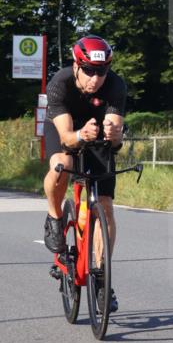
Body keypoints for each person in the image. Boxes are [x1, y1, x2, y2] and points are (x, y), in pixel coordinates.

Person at [43, 35, 126, 312]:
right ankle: (54, 218)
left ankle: (102, 277)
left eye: (101, 71)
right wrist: (80, 134)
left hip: (97, 136)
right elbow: (66, 137)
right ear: (77, 65)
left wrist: (114, 135)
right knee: (61, 164)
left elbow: (114, 136)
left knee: (105, 205)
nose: (95, 78)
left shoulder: (115, 85)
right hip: (65, 129)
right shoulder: (60, 84)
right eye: (89, 70)